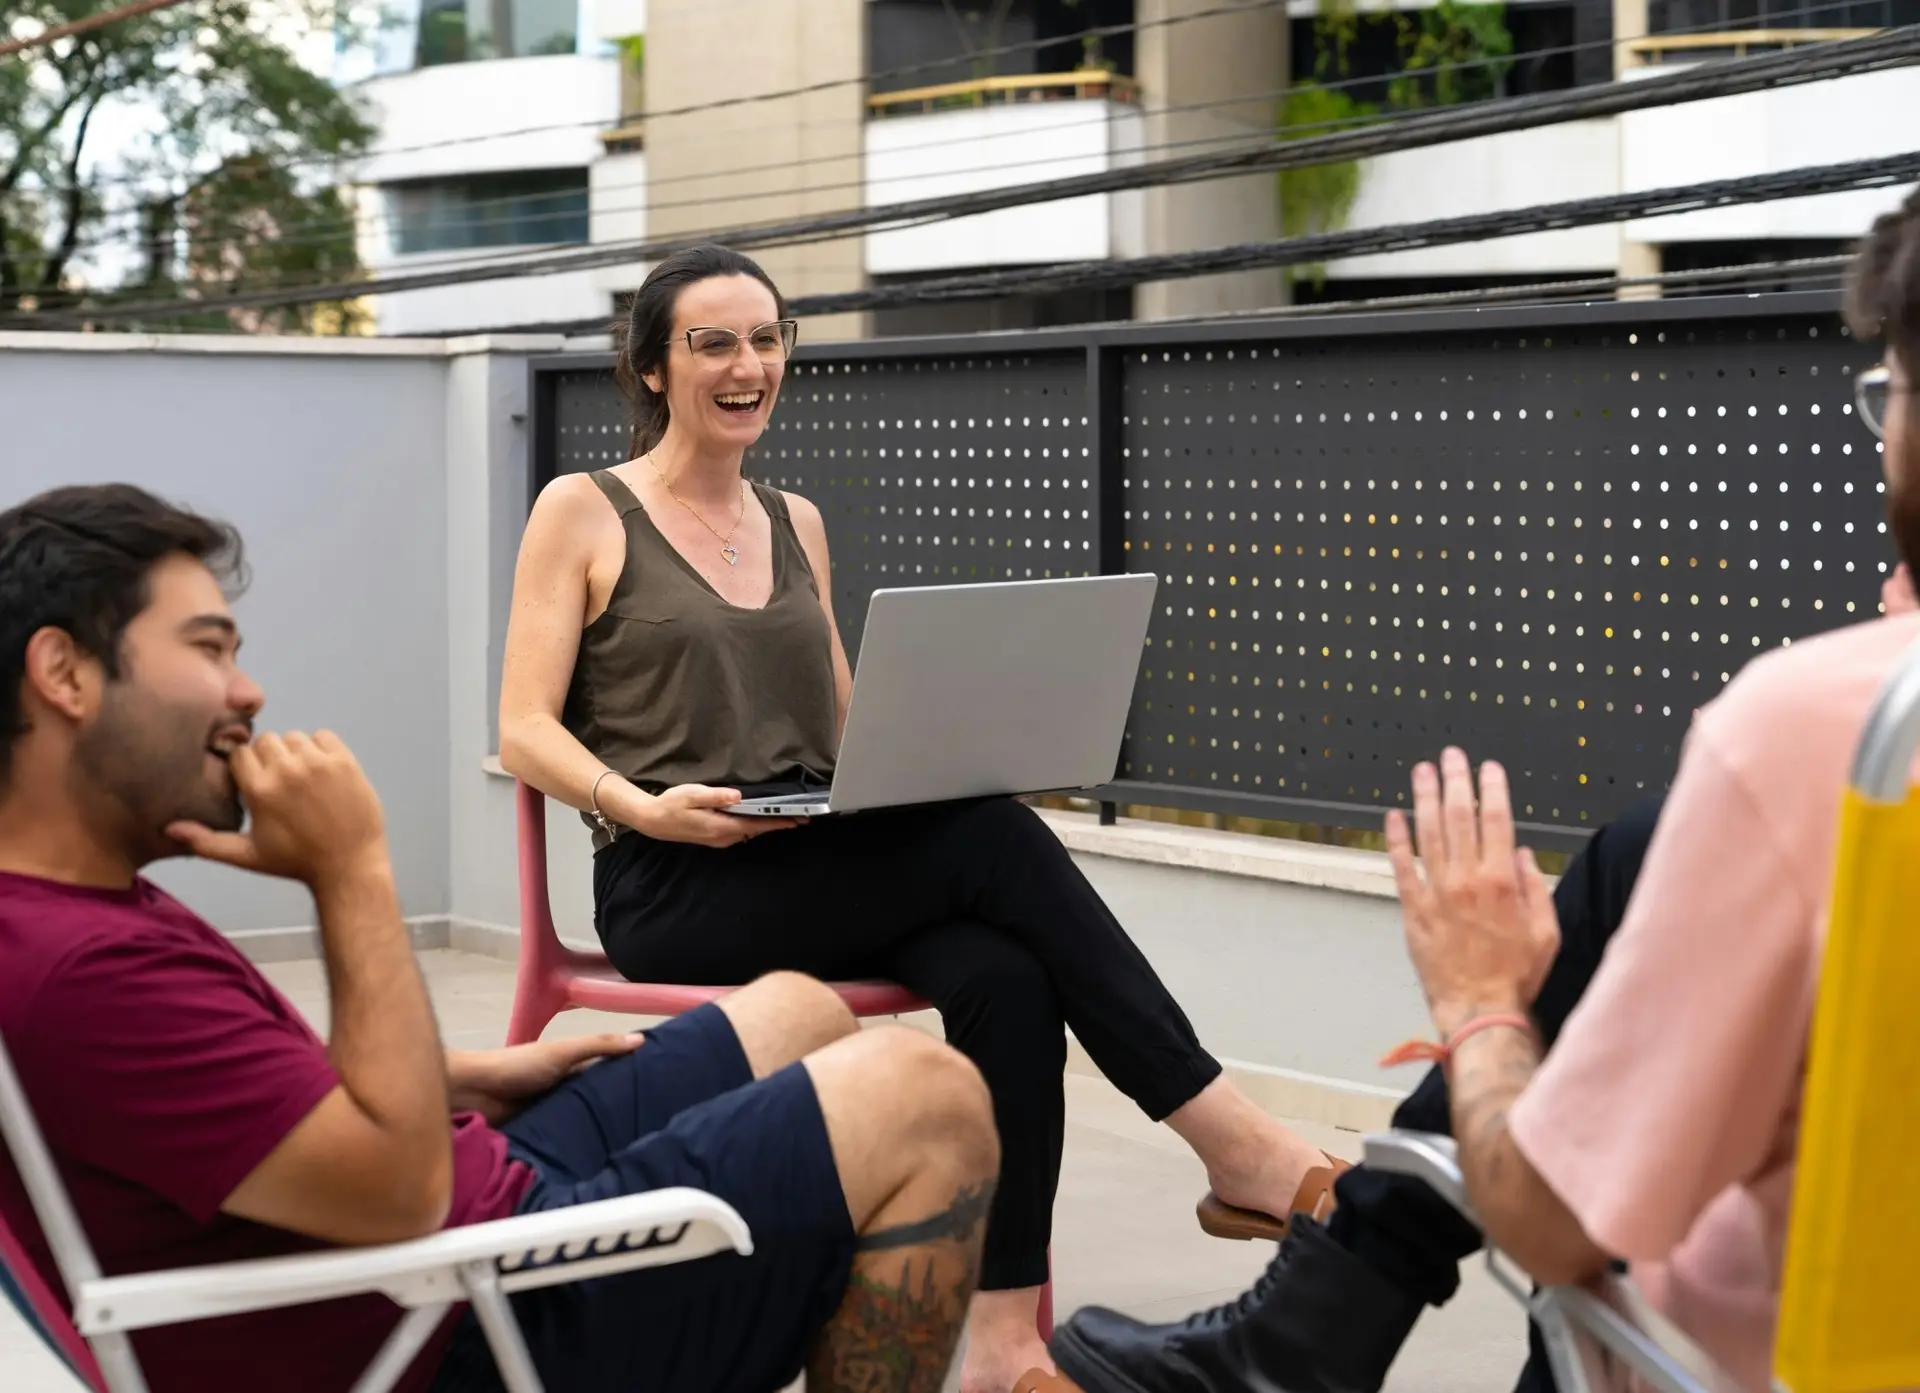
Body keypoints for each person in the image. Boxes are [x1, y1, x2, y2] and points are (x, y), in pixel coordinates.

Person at [1044, 186, 1920, 1393]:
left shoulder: (1835, 738)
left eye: (1893, 393)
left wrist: (1479, 1004)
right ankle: (1298, 1319)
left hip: (1760, 1358)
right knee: (1628, 858)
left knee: (1622, 879)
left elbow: (1550, 1220)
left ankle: (1304, 1329)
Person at [497, 243, 1342, 1393]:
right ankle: (1235, 1142)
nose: (748, 365)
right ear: (652, 369)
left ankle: (1001, 1350)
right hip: (677, 876)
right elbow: (521, 727)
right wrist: (640, 803)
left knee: (1008, 970)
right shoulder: (583, 511)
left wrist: (948, 745)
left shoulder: (796, 519)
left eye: (766, 338)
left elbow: (851, 726)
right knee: (988, 841)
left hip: (812, 856)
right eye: (713, 343)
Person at [0, 482, 1006, 1393]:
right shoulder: (78, 970)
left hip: (471, 1217)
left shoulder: (71, 907)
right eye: (210, 649)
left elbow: (226, 1109)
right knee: (927, 1097)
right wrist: (352, 871)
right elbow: (400, 1192)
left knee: (800, 1007)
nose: (247, 691)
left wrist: (474, 1075)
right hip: (457, 1320)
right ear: (66, 674)